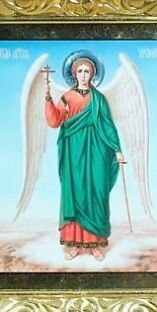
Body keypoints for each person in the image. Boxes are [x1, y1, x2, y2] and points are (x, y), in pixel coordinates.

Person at [44, 52, 125, 261]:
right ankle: (75, 245)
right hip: (73, 152)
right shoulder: (68, 97)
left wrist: (117, 149)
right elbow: (55, 121)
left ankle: (95, 243)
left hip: (97, 151)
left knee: (97, 191)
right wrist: (48, 101)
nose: (82, 74)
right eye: (79, 71)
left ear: (92, 74)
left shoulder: (99, 100)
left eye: (86, 71)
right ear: (74, 74)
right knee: (75, 192)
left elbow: (108, 126)